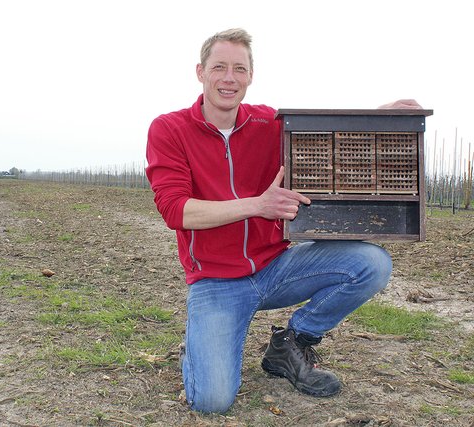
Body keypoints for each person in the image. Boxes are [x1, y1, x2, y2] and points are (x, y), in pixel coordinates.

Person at [145, 28, 421, 414]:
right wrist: (258, 205)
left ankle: (292, 342)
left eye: (239, 69)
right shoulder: (169, 129)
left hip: (276, 267)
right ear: (200, 72)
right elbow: (177, 210)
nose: (229, 78)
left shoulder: (268, 123)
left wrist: (382, 115)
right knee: (211, 401)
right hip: (215, 282)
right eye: (219, 67)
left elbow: (328, 141)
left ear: (250, 76)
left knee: (370, 263)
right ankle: (199, 344)